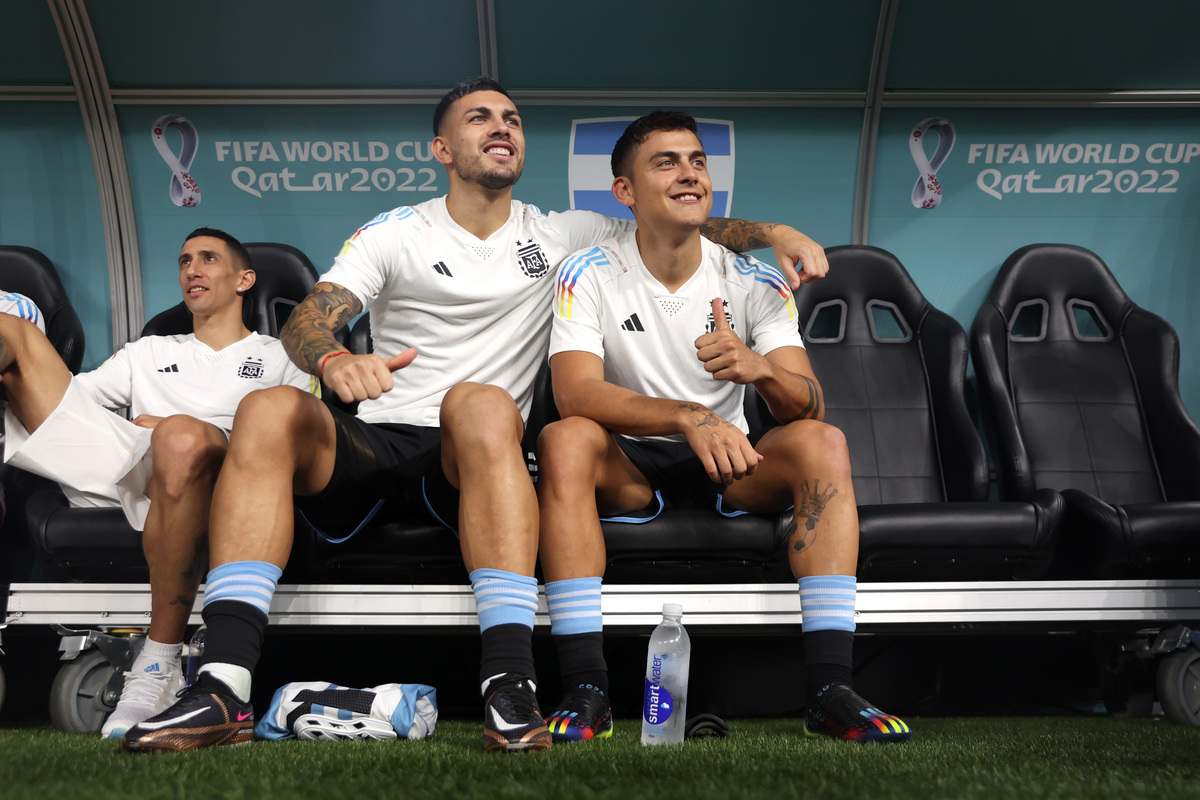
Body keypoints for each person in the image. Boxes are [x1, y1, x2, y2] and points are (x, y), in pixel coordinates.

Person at [122, 77, 829, 754]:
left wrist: (777, 232)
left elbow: (678, 219)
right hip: (377, 437)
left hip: (471, 450)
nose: (502, 128)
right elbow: (310, 319)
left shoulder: (565, 232)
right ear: (442, 150)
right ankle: (223, 686)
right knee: (268, 405)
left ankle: (509, 684)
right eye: (480, 118)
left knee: (484, 401)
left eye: (512, 119)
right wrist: (336, 362)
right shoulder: (396, 232)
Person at [537, 111, 910, 743]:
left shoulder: (755, 279)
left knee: (824, 442)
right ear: (624, 193)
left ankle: (829, 690)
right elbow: (575, 393)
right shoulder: (588, 270)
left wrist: (759, 370)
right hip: (633, 461)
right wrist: (688, 415)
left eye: (698, 161)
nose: (689, 174)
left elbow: (807, 404)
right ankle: (587, 688)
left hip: (730, 467)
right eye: (666, 162)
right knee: (562, 439)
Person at [0, 228, 319, 739]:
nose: (192, 269)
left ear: (245, 279)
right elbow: (69, 406)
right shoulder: (146, 350)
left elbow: (292, 444)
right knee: (11, 334)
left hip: (220, 479)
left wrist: (182, 430)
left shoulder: (282, 355)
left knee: (180, 438)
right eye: (184, 260)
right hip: (128, 466)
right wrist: (140, 431)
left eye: (208, 259)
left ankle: (156, 664)